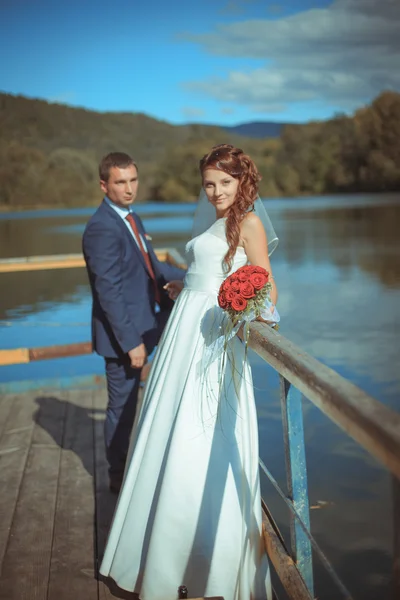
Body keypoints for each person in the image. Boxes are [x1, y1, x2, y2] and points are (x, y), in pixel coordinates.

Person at [99, 145, 279, 600]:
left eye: (224, 182)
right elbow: (209, 273)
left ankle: (205, 561)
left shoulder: (251, 223)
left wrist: (253, 315)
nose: (216, 191)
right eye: (209, 184)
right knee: (168, 434)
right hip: (184, 337)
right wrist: (187, 285)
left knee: (202, 438)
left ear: (243, 182)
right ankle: (160, 547)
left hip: (211, 341)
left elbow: (265, 282)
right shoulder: (218, 224)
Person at [82, 152, 185, 494]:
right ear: (104, 185)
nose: (129, 189)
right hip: (124, 335)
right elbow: (108, 291)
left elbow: (154, 268)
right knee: (123, 407)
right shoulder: (101, 228)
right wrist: (130, 342)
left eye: (133, 180)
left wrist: (197, 278)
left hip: (148, 321)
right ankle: (118, 475)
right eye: (120, 182)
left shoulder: (131, 218)